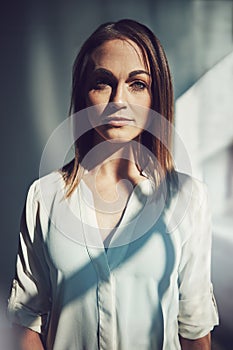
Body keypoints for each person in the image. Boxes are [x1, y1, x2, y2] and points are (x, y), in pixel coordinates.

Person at [7, 19, 218, 350]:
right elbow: (28, 323)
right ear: (84, 94)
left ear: (156, 96)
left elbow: (194, 329)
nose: (119, 99)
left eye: (137, 84)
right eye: (103, 82)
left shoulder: (188, 198)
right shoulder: (44, 197)